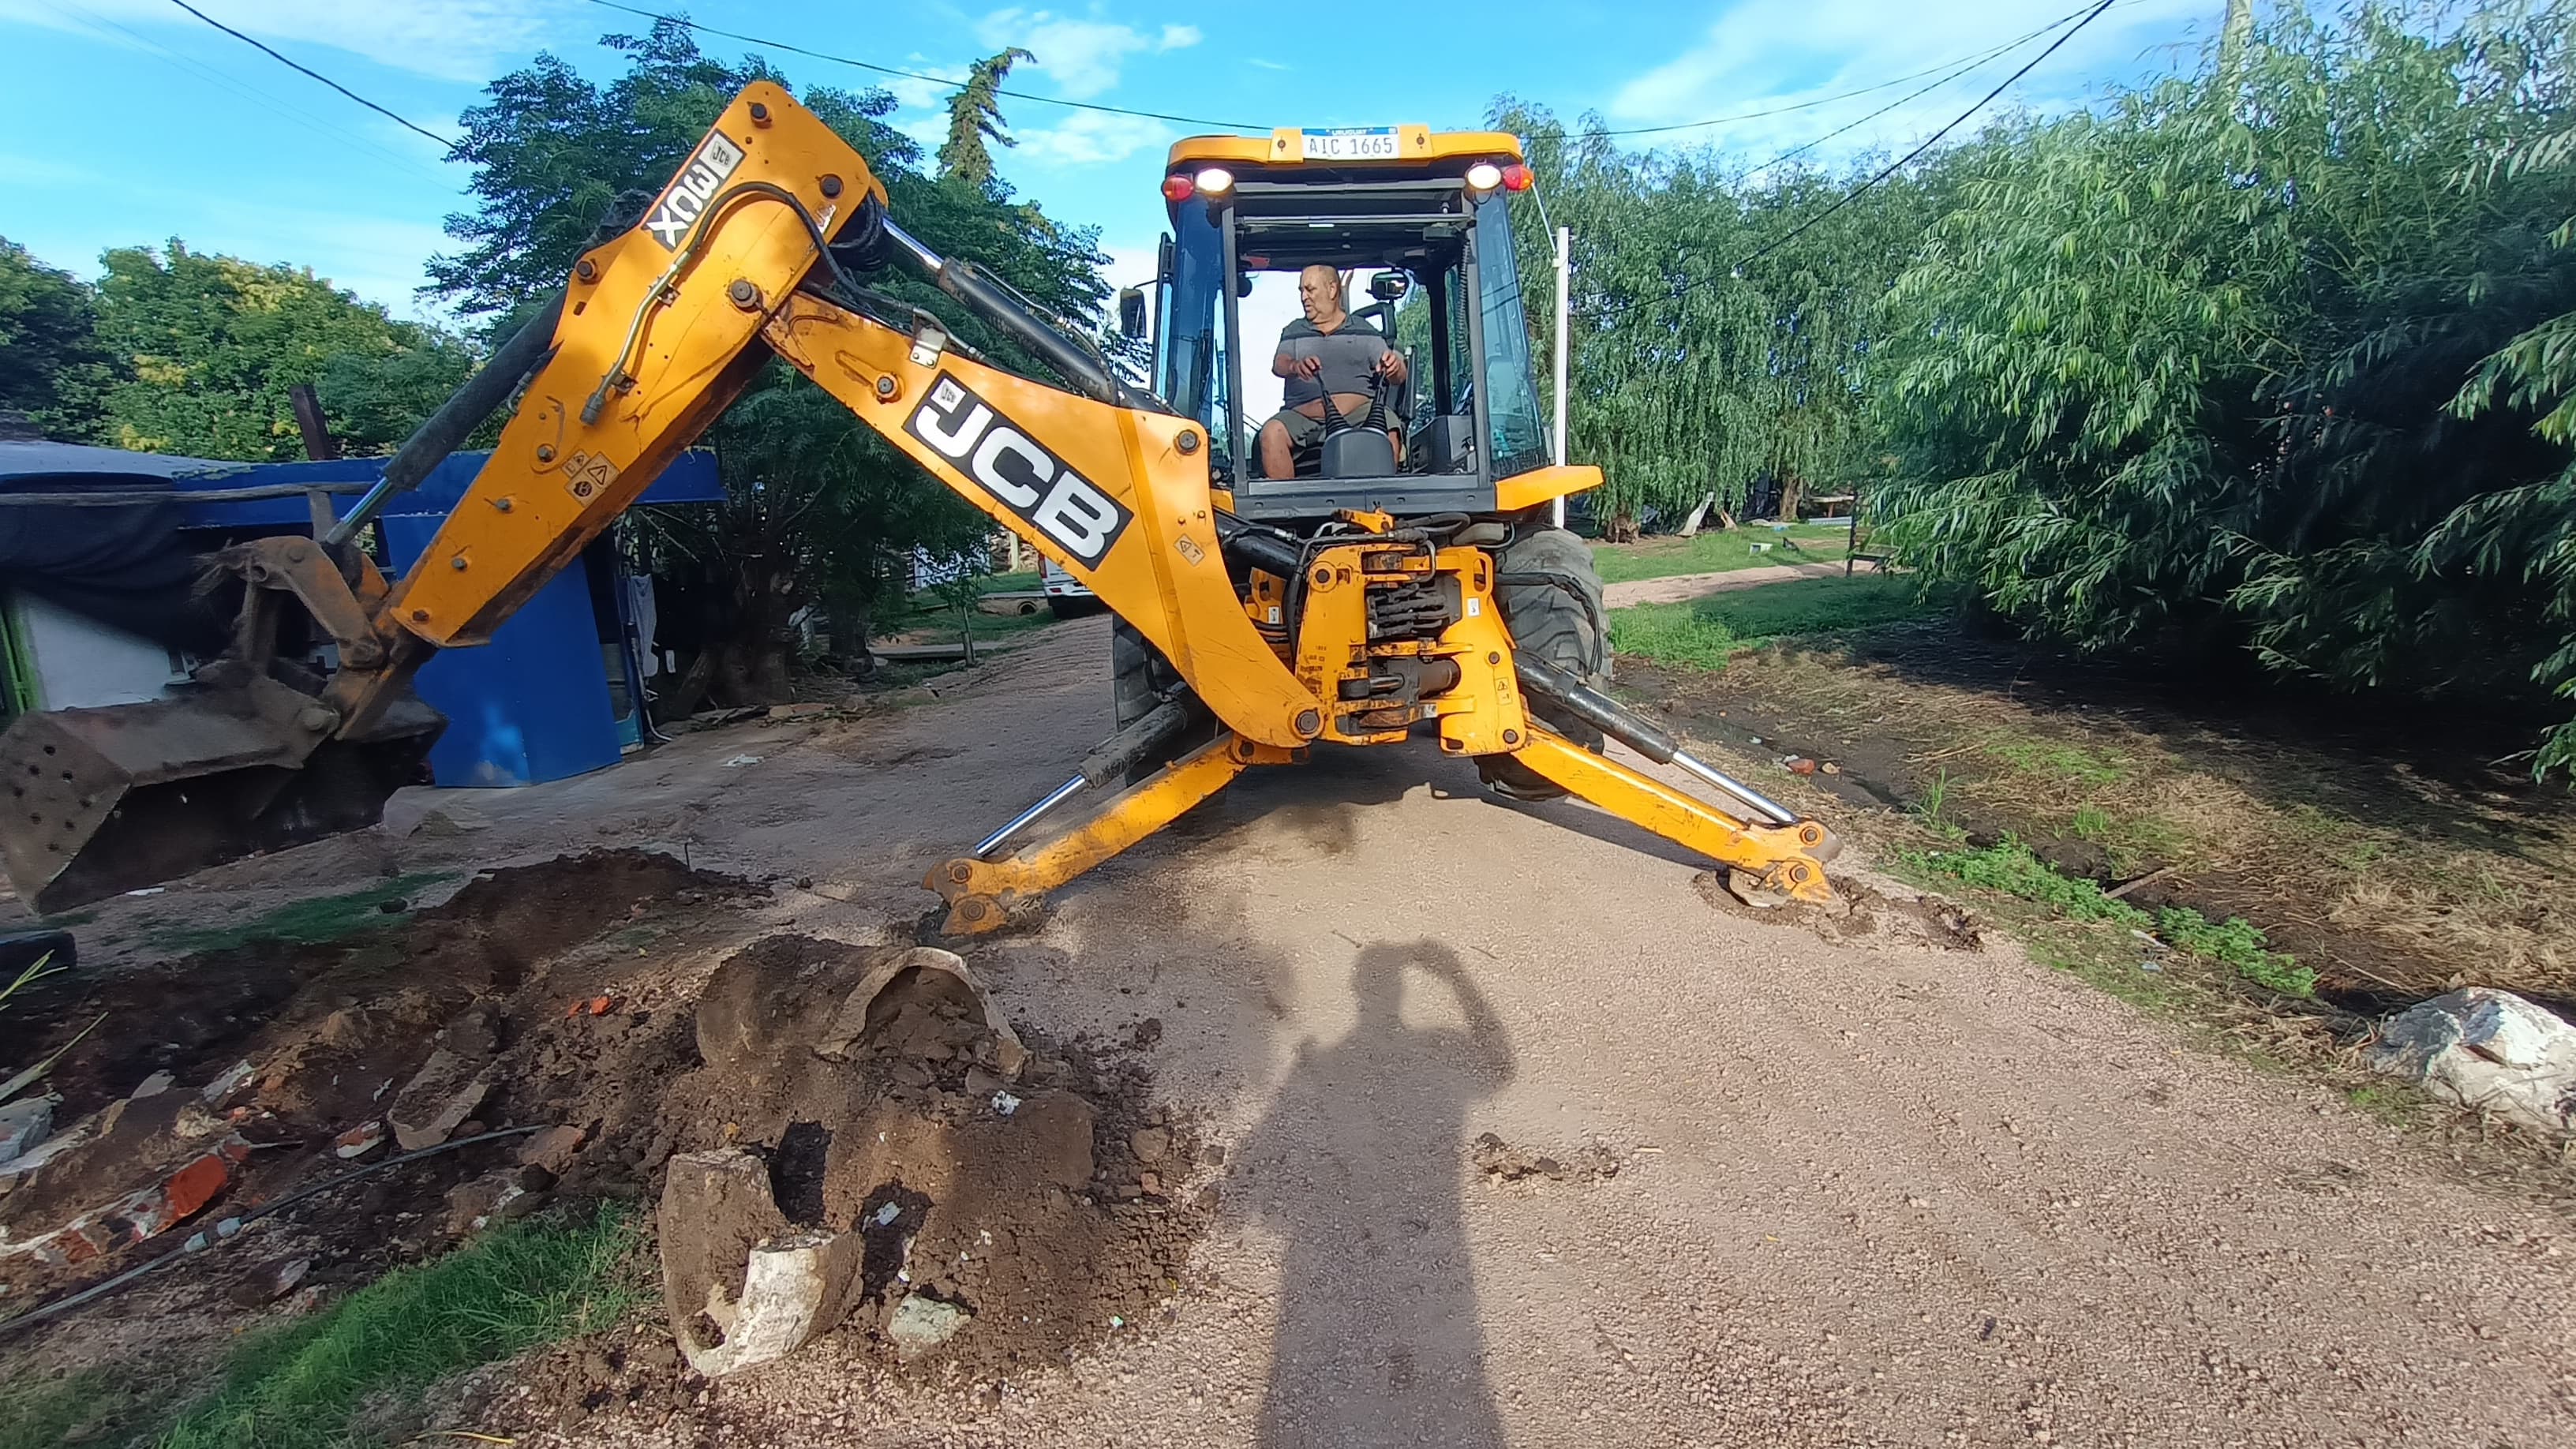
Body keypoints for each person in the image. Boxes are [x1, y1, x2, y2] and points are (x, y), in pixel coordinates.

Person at [1257, 264, 1409, 480]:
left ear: (1332, 290)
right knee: (1271, 433)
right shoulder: (1294, 331)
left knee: (1390, 426)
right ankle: (1290, 509)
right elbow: (1278, 364)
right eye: (1301, 291)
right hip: (1303, 417)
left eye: (1310, 290)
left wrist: (1395, 366)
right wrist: (1295, 366)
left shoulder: (1363, 330)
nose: (1304, 297)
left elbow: (1398, 376)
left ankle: (1383, 501)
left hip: (1359, 415)